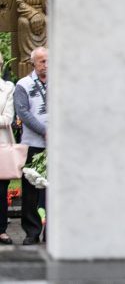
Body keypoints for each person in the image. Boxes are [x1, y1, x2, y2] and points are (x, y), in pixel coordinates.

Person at [13, 47, 47, 244]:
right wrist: (45, 131)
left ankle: (52, 232)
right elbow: (23, 113)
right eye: (42, 62)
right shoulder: (23, 85)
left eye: (49, 61)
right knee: (31, 190)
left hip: (56, 145)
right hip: (33, 144)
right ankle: (32, 232)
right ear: (33, 63)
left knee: (54, 189)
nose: (46, 66)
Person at [0, 70, 14, 244]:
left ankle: (1, 230)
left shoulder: (8, 88)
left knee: (1, 191)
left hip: (1, 146)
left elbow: (8, 118)